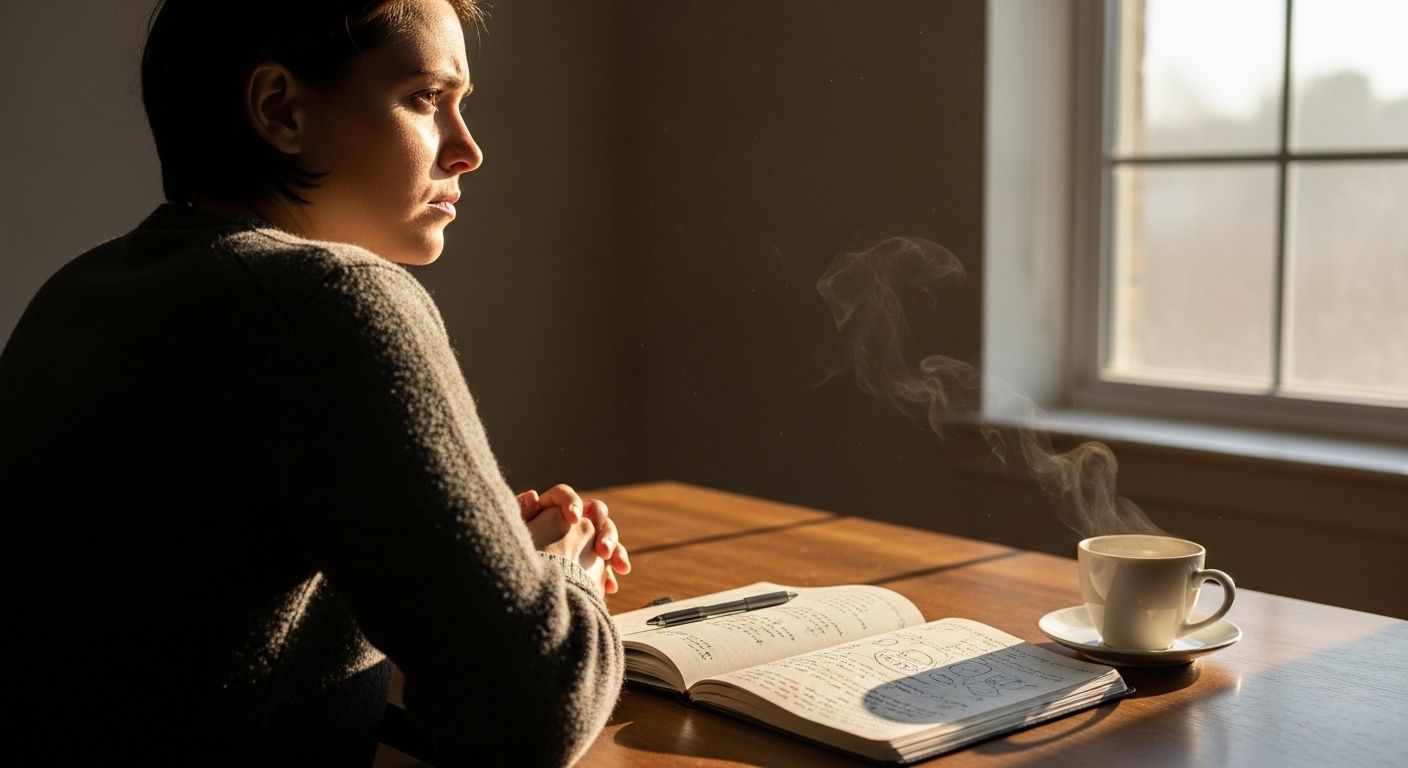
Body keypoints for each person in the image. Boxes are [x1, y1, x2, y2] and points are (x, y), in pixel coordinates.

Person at [0, 1, 630, 765]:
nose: (467, 150)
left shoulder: (79, 293)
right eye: (427, 100)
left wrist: (481, 573)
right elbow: (530, 711)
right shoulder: (333, 297)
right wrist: (567, 573)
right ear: (281, 110)